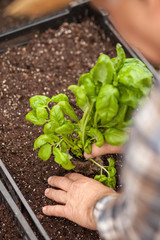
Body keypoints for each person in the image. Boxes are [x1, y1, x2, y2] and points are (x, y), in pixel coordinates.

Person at [7, 0, 160, 239]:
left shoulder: (153, 127)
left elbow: (141, 229)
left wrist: (94, 205)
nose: (113, 19)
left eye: (110, 7)